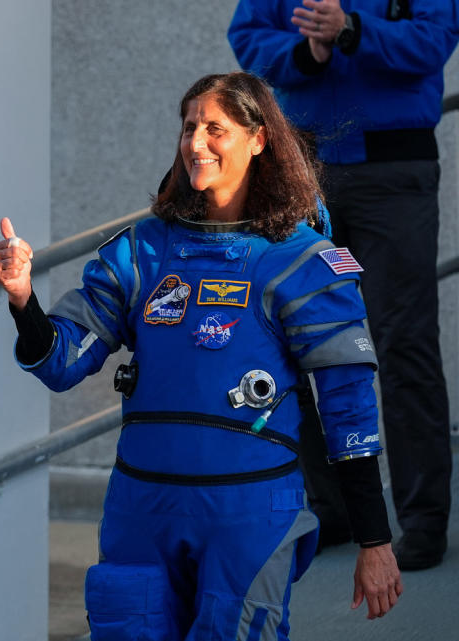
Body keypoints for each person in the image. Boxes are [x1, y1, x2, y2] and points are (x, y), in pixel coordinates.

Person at [0, 72, 401, 639]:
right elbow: (63, 361)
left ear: (259, 139)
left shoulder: (302, 260)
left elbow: (348, 413)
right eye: (188, 128)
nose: (196, 143)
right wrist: (22, 300)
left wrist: (373, 540)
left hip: (248, 512)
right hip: (143, 507)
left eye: (215, 128)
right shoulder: (144, 251)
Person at [228, 0, 457, 571]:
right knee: (293, 340)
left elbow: (434, 41)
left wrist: (354, 31)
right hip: (304, 175)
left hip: (392, 175)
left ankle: (423, 521)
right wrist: (309, 51)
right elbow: (249, 37)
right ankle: (329, 510)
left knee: (404, 344)